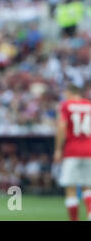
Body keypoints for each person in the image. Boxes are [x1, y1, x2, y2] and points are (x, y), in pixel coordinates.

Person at [54, 84, 91, 221]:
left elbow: (61, 126)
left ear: (69, 92)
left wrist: (58, 149)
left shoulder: (66, 105)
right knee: (88, 186)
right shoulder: (89, 105)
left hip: (72, 151)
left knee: (71, 189)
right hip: (89, 151)